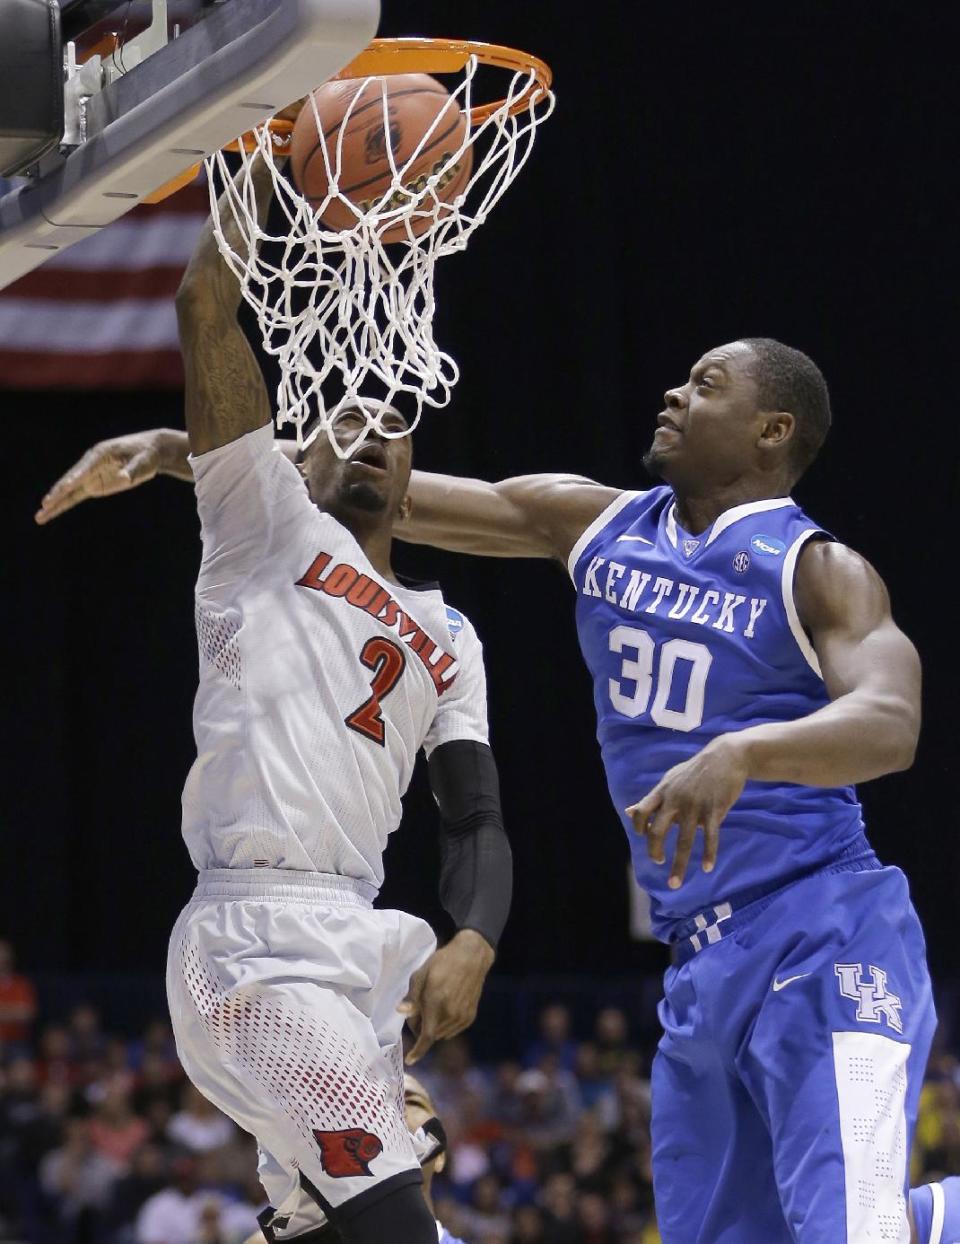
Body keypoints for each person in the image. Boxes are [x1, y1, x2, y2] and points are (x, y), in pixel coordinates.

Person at [35, 317, 942, 1235]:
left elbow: (891, 723)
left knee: (852, 1231)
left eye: (706, 385)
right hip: (701, 963)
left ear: (772, 431)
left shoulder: (817, 569)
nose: (674, 394)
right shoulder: (594, 522)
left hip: (824, 929)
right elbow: (369, 488)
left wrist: (749, 751)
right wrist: (173, 452)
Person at [38, 154, 512, 1244]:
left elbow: (474, 815)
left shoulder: (452, 633)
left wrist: (476, 933)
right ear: (304, 445)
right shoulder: (263, 525)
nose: (371, 425)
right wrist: (271, 142)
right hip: (249, 934)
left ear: (413, 458)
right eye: (345, 412)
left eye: (392, 415)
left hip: (365, 933)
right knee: (397, 1223)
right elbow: (206, 299)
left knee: (342, 1221)